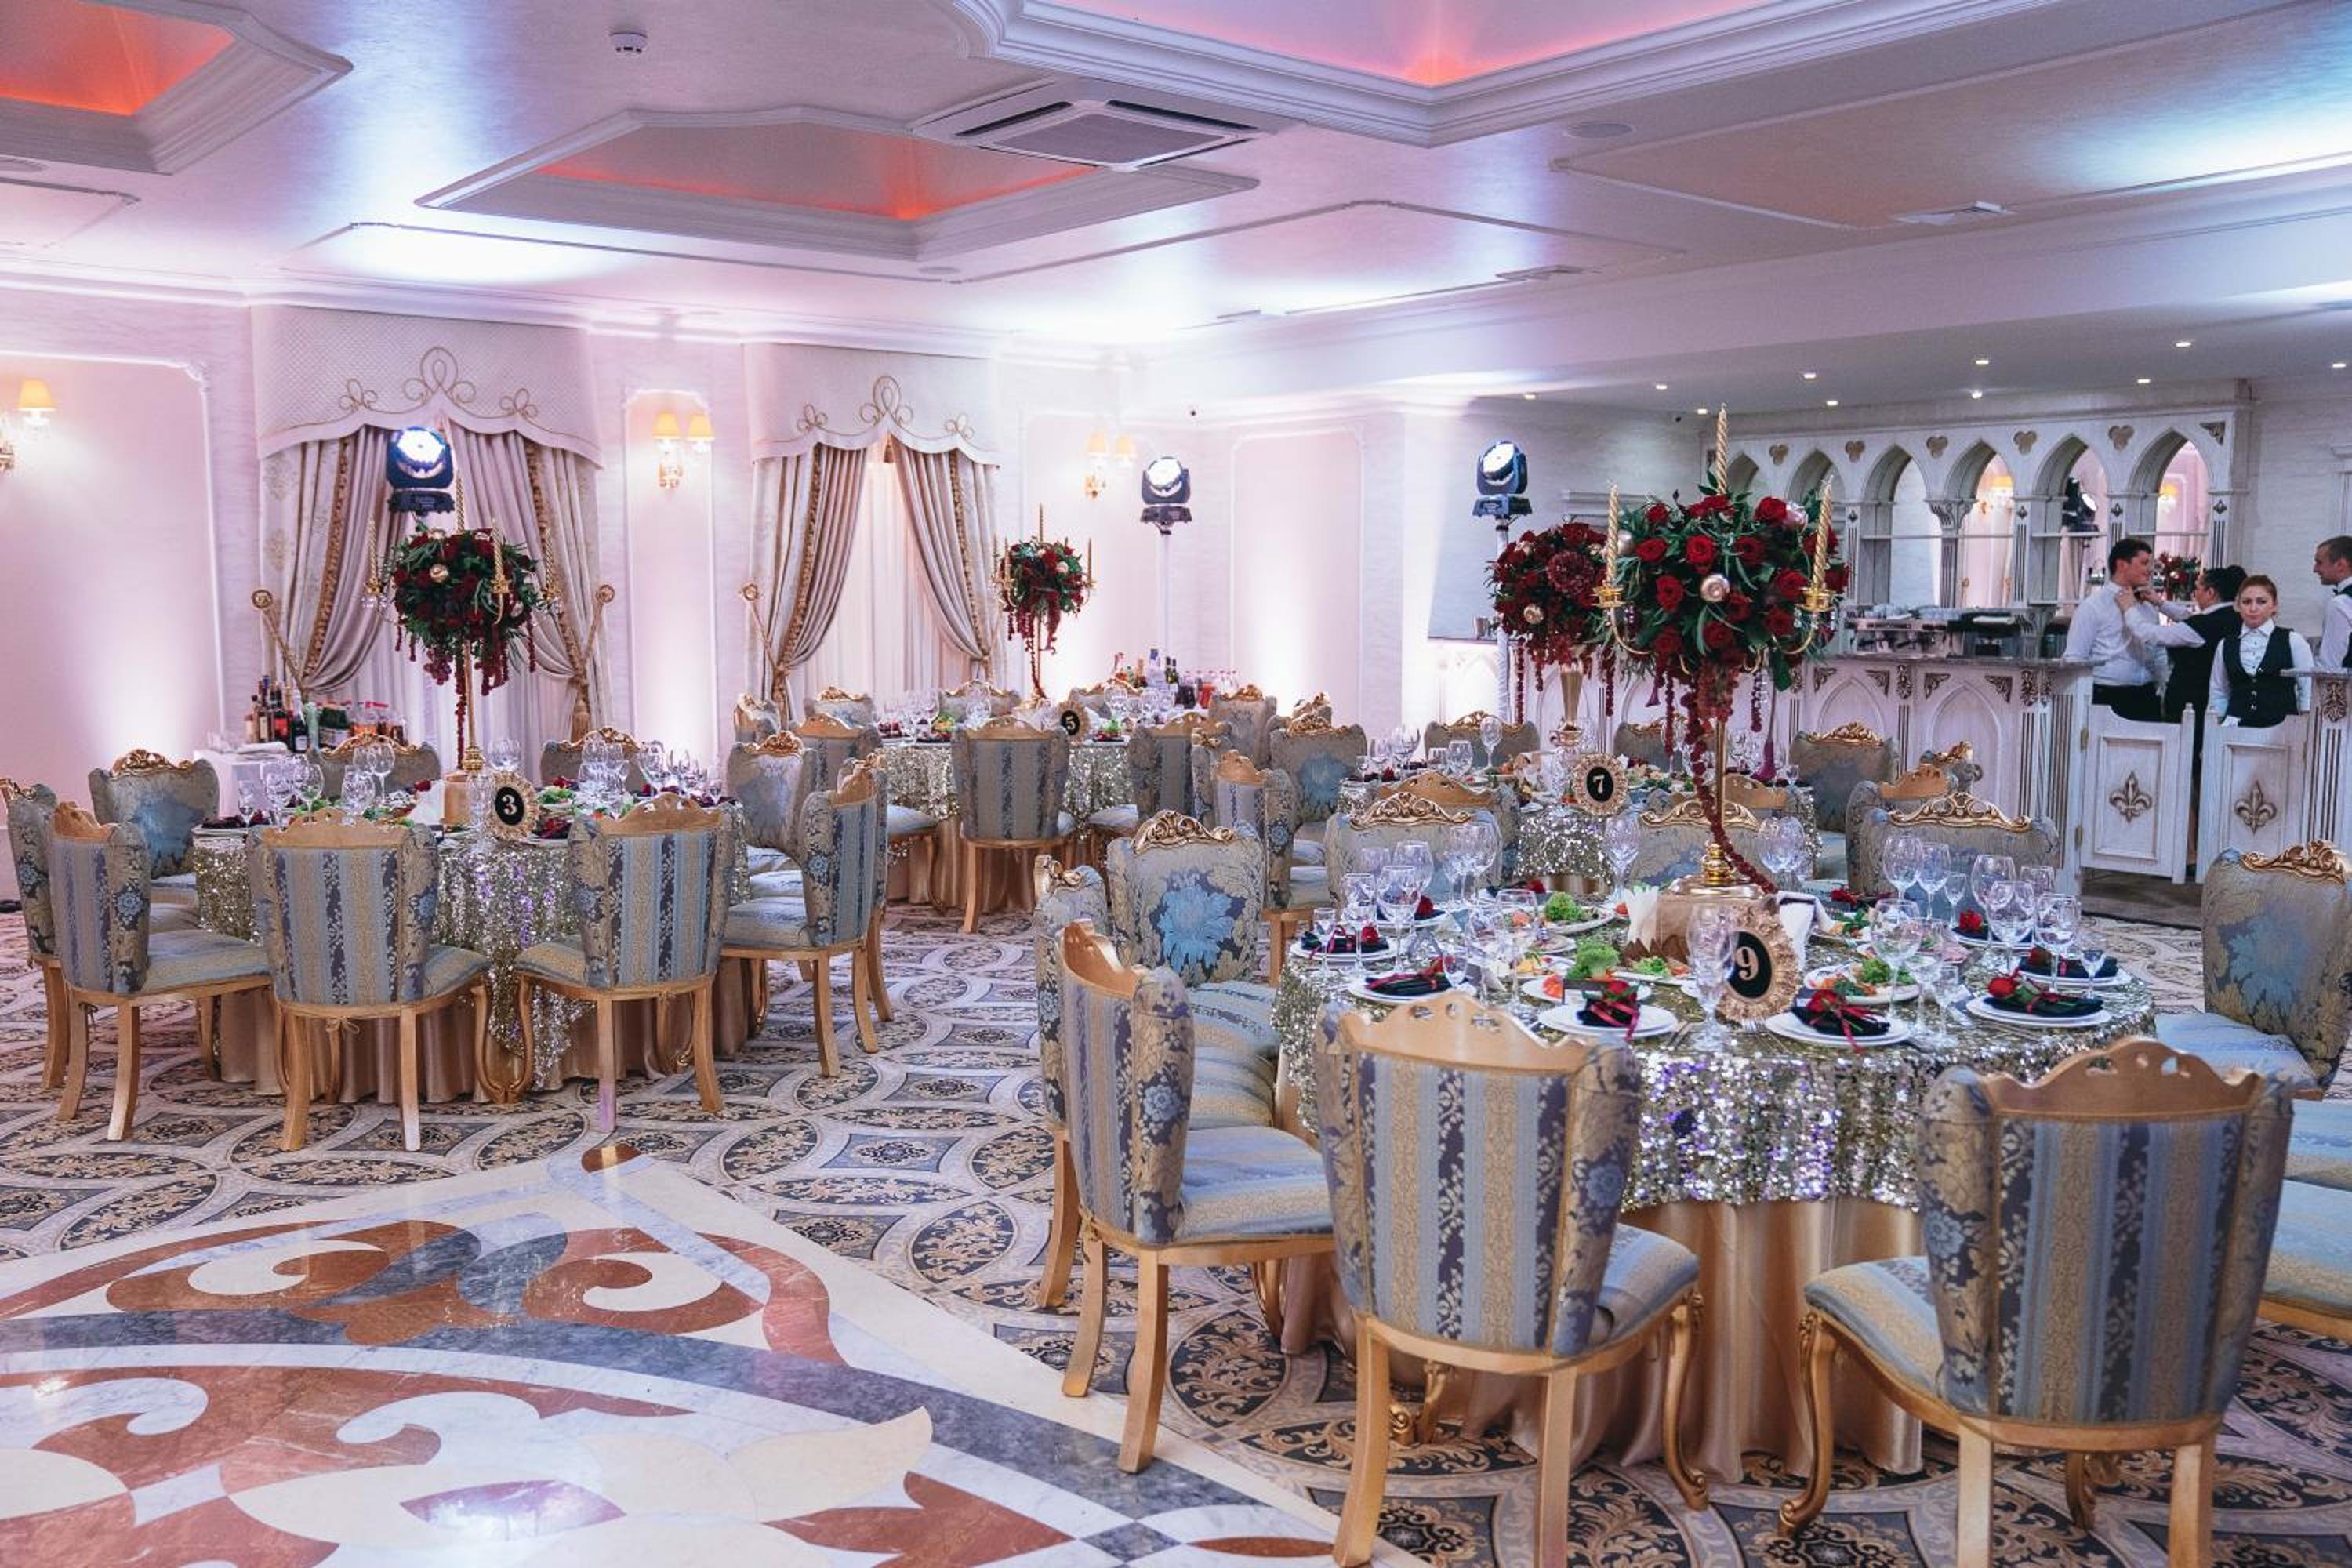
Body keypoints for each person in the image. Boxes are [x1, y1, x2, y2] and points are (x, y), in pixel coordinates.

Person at [2065, 536, 2165, 721]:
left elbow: (2158, 651)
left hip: (2147, 694)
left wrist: (2163, 688)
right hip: (2109, 694)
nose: (2150, 570)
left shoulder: (2149, 605)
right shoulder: (2093, 606)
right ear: (2122, 565)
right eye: (2144, 563)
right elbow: (2075, 658)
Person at [2132, 564, 2245, 720]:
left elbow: (2152, 635)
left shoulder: (2204, 626)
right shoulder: (2235, 618)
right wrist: (2159, 602)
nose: (2194, 594)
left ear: (2211, 593)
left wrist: (2128, 609)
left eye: (2198, 588)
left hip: (2193, 706)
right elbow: (2189, 618)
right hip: (2224, 703)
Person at [2211, 574, 2313, 728]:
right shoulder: (2225, 644)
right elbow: (2219, 692)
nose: (2253, 608)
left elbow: (2307, 687)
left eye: (2261, 602)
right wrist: (2215, 729)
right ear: (2238, 606)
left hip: (2282, 729)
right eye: (2247, 602)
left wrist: (2305, 726)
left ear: (2274, 605)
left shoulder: (2293, 640)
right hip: (2235, 728)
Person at [2313, 535, 2352, 669]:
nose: (2315, 569)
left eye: (2319, 563)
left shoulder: (2340, 603)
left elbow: (2330, 665)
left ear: (2340, 565)